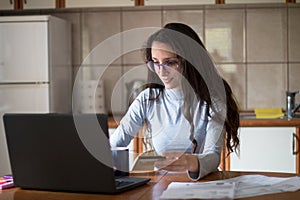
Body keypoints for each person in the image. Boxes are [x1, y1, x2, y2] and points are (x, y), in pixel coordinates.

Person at [110, 22, 240, 180]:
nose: (161, 71)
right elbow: (116, 143)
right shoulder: (147, 99)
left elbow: (213, 156)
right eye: (155, 62)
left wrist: (191, 162)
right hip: (162, 184)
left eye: (170, 62)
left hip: (203, 185)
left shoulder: (212, 101)